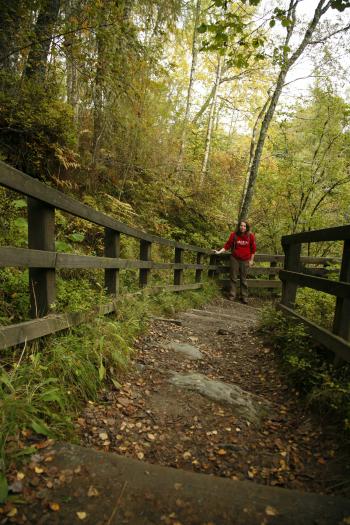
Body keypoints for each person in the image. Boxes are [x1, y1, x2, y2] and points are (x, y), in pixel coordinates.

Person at [215, 221, 256, 304]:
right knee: (233, 277)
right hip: (235, 259)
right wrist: (219, 252)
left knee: (243, 279)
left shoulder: (250, 236)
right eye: (241, 225)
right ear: (239, 226)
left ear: (247, 227)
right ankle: (232, 295)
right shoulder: (233, 235)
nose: (242, 227)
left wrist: (251, 260)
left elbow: (253, 249)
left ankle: (244, 297)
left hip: (245, 260)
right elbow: (227, 245)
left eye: (244, 226)